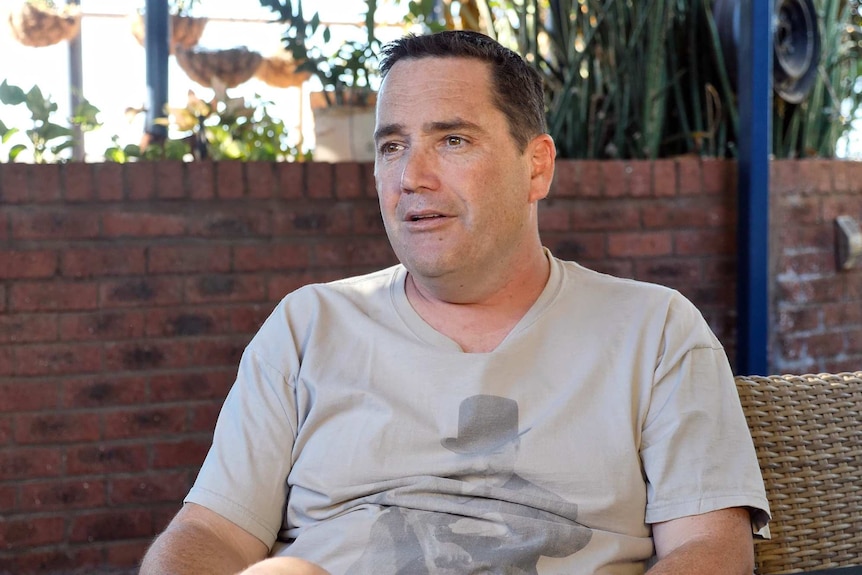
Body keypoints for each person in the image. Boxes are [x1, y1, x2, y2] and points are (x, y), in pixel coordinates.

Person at [140, 30, 770, 575]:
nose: (412, 174)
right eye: (391, 146)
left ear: (537, 168)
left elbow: (709, 548)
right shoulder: (308, 327)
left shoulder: (653, 330)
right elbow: (211, 534)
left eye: (453, 141)